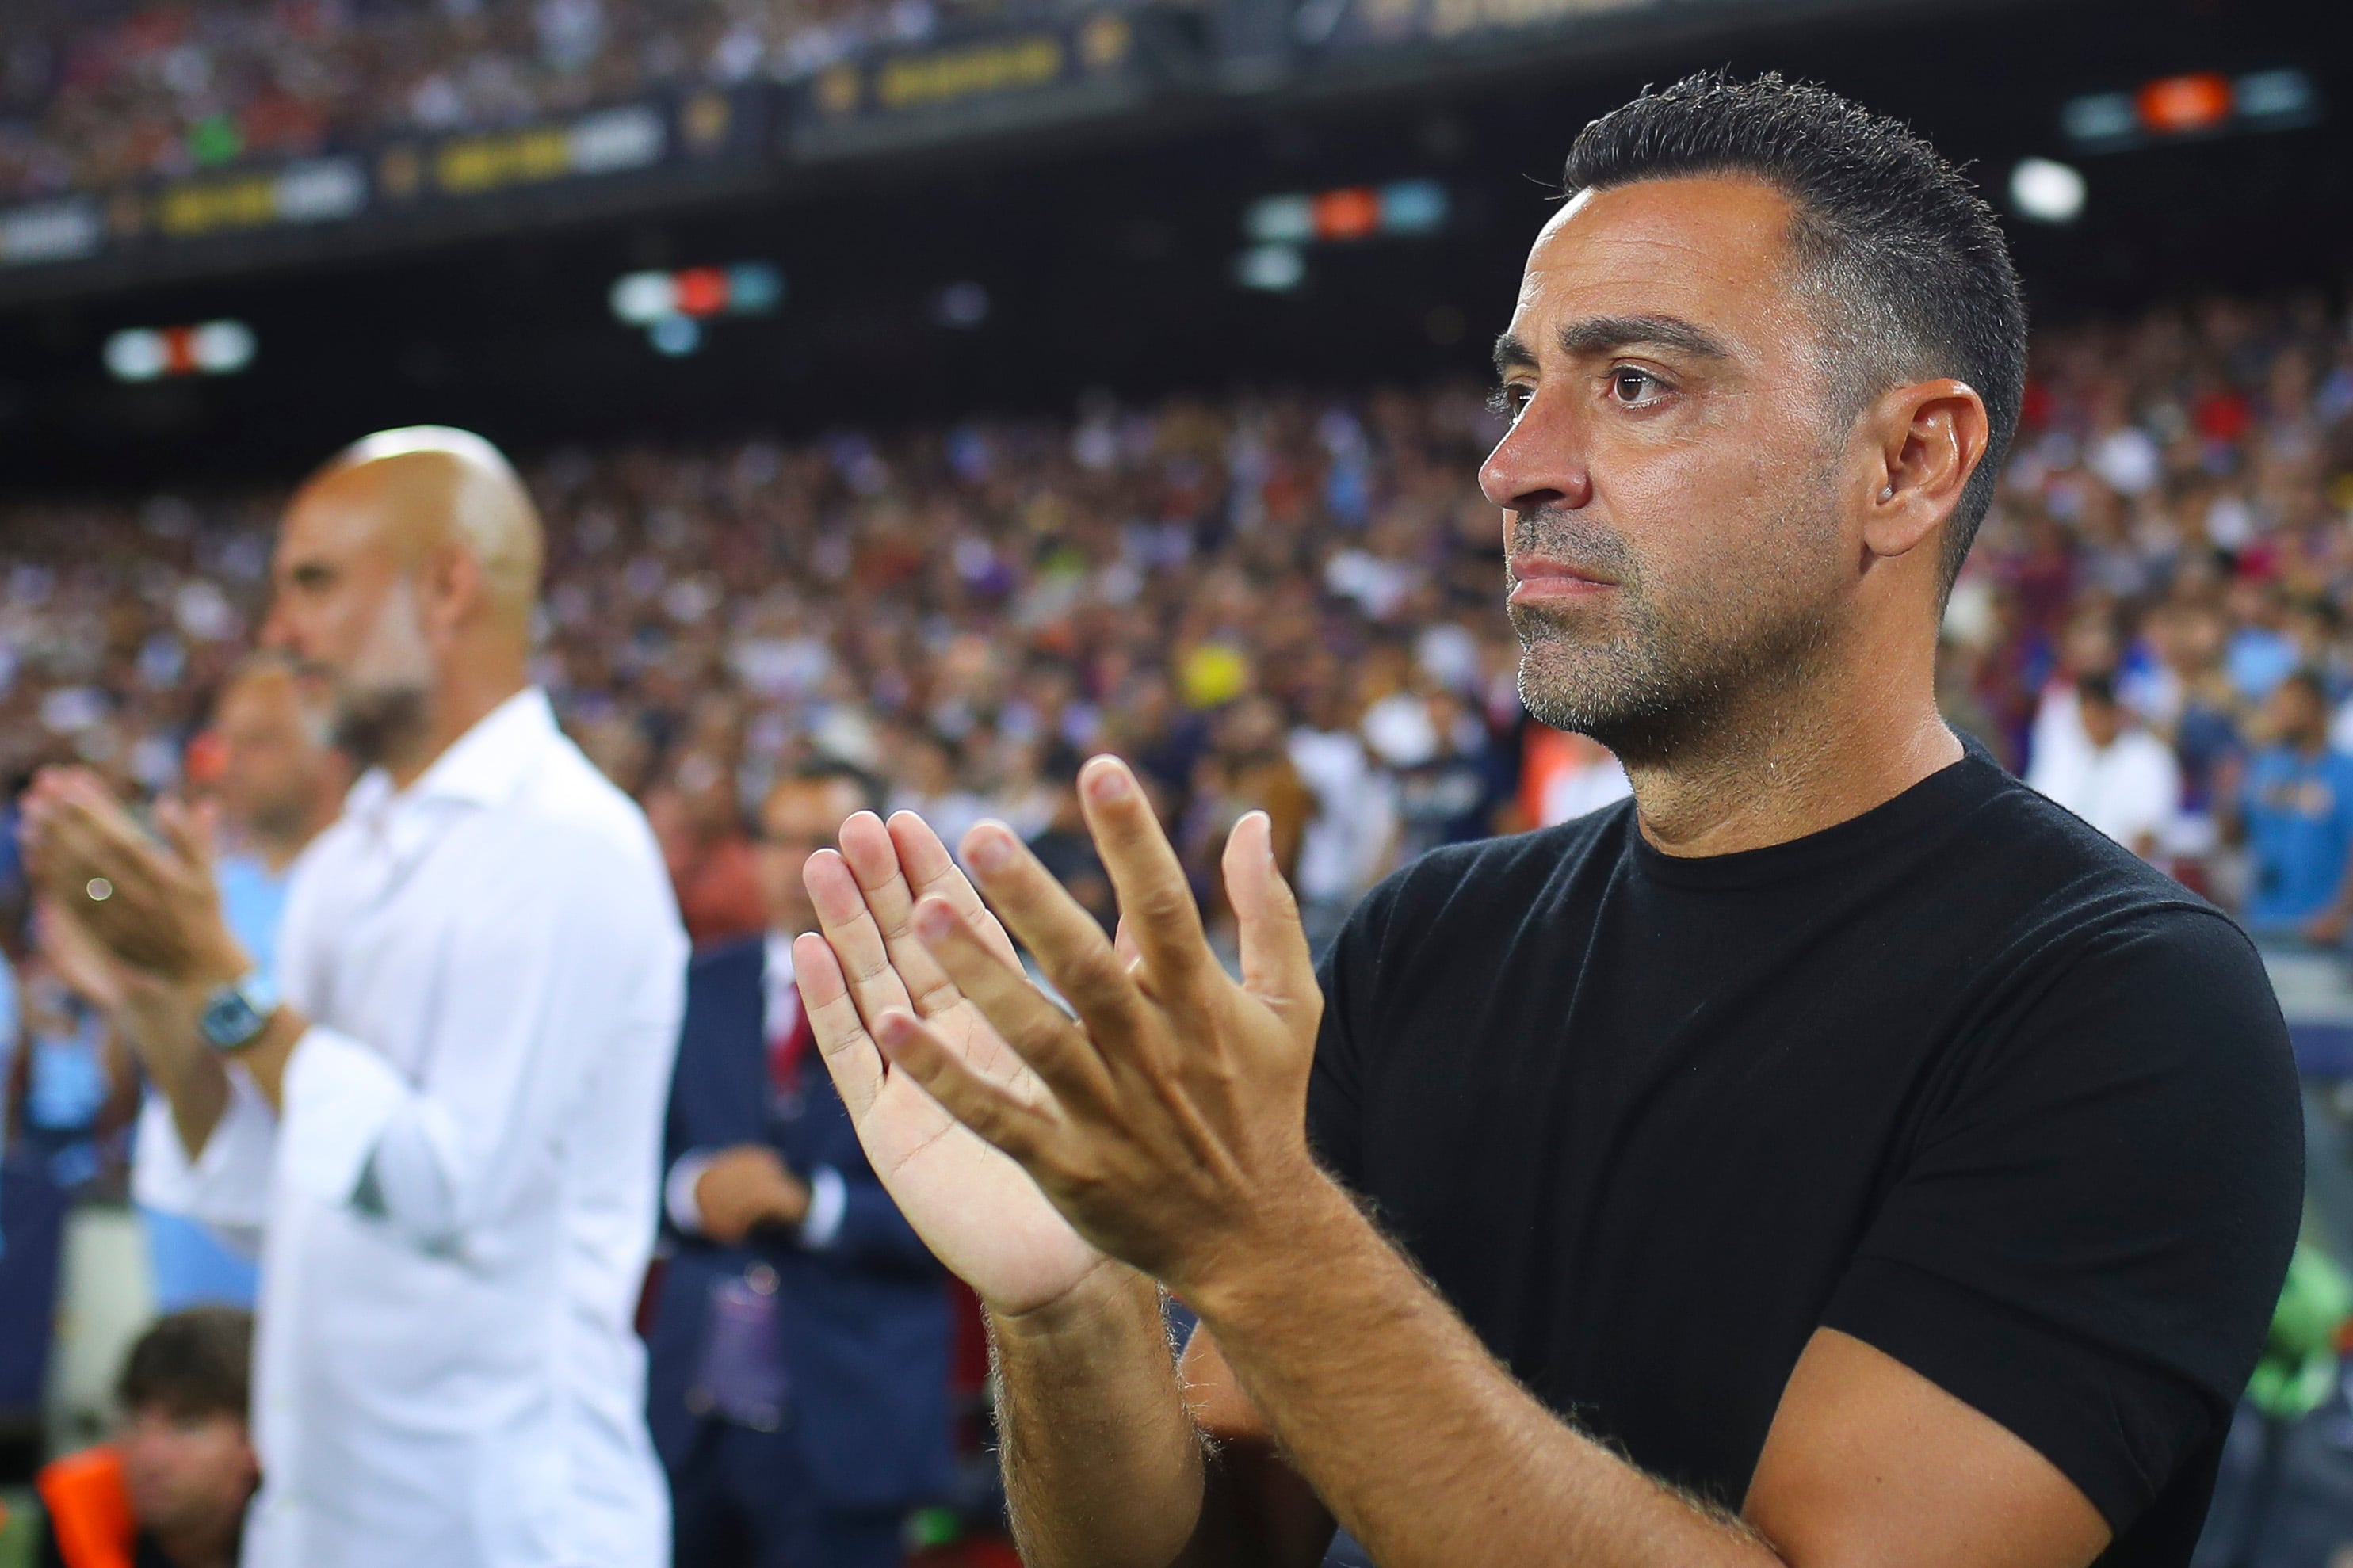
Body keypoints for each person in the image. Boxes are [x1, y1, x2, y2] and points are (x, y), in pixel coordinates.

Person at [789, 74, 2301, 1568]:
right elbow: (1202, 1550)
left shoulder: (2122, 1003)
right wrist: (1072, 1299)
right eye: (1520, 389)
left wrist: (1261, 1241)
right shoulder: (1426, 938)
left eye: (1633, 382)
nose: (1511, 467)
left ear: (1906, 461)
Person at [19, 426, 689, 1568]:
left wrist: (217, 975)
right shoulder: (349, 858)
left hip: (502, 1520)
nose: (281, 630)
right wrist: (155, 991)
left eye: (314, 582)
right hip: (324, 1511)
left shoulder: (567, 844)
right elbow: (259, 1184)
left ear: (446, 586)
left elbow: (439, 1182)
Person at [646, 761, 952, 1568]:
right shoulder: (692, 984)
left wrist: (808, 1203)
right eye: (776, 839)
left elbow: (965, 1219)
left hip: (849, 1417)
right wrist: (690, 1190)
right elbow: (622, 1168)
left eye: (819, 842)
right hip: (693, 1411)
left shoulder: (933, 1008)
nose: (793, 864)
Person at [132, 655, 348, 1312]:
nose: (231, 762)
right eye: (227, 740)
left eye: (262, 740)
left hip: (307, 1250)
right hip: (187, 1224)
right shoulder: (215, 888)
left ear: (330, 756)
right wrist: (132, 984)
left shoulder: (360, 894)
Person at [34, 1306, 259, 1568]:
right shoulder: (62, 1521)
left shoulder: (307, 1534)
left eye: (188, 1425)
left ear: (256, 1438)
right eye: (133, 1421)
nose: (148, 1457)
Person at [2230, 669, 2353, 944]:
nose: (2281, 712)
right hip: (2263, 921)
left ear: (2319, 707)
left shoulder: (2346, 772)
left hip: (2320, 930)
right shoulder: (2265, 765)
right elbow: (2234, 835)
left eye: (2292, 704)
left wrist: (2340, 914)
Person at [2024, 673, 2181, 862]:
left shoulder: (2151, 759)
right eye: (2085, 711)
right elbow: (2038, 816)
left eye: (2098, 712)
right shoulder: (2063, 759)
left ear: (2114, 712)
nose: (2091, 721)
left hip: (2130, 878)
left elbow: (2148, 836)